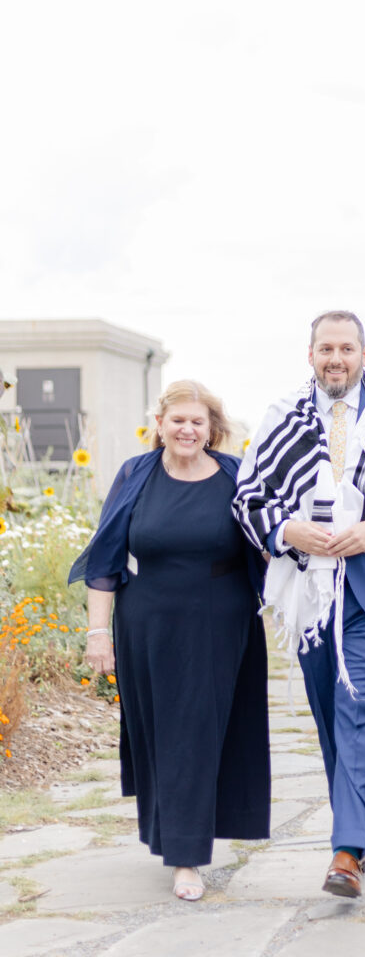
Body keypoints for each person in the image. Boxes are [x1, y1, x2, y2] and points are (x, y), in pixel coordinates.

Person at [233, 311, 365, 898]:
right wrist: (287, 532)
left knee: (357, 703)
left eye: (346, 349)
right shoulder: (282, 418)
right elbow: (250, 498)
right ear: (311, 356)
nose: (336, 359)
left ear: (364, 355)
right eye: (326, 349)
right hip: (309, 590)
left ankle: (345, 850)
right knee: (328, 713)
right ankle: (357, 828)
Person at [69, 380, 270, 901]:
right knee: (162, 733)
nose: (187, 429)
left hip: (220, 623)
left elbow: (271, 535)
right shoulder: (135, 475)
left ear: (212, 429)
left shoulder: (235, 475)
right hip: (148, 623)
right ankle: (174, 839)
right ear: (158, 425)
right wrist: (97, 634)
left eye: (198, 421)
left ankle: (186, 858)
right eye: (177, 420)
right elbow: (105, 560)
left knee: (196, 732)